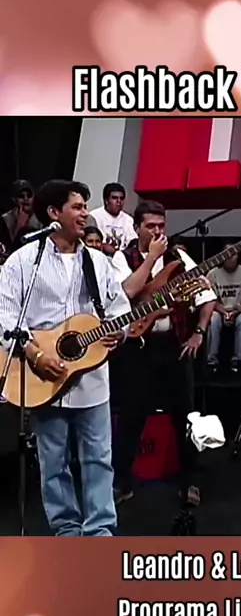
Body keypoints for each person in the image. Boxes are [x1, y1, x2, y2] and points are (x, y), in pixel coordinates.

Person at [0, 180, 130, 536]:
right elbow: (6, 315)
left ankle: (99, 531)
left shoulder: (98, 261)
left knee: (98, 458)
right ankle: (66, 530)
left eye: (85, 206)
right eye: (77, 206)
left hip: (91, 377)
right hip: (43, 375)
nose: (85, 213)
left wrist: (118, 331)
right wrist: (34, 353)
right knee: (53, 462)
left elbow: (120, 308)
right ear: (53, 213)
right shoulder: (23, 261)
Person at [110, 200, 216, 507]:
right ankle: (122, 482)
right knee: (131, 416)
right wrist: (151, 258)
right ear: (137, 228)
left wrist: (199, 332)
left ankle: (190, 481)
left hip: (174, 345)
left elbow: (207, 296)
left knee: (187, 416)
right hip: (138, 348)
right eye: (150, 226)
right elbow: (127, 291)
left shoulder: (179, 258)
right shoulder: (122, 257)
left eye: (161, 226)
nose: (157, 231)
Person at [206, 247, 241, 372]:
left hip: (240, 310)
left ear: (238, 256)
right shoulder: (212, 274)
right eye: (226, 254)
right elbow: (210, 300)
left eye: (233, 254)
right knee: (212, 319)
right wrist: (224, 312)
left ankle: (238, 360)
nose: (229, 257)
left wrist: (235, 313)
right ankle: (211, 361)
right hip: (219, 310)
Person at [89, 183, 136, 251]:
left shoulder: (128, 219)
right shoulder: (94, 216)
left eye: (121, 198)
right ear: (106, 200)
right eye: (114, 198)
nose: (119, 201)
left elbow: (132, 241)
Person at [0, 179, 42, 256]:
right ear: (14, 199)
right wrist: (18, 227)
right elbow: (6, 252)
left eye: (29, 196)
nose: (26, 199)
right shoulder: (6, 220)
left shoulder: (41, 217)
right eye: (21, 196)